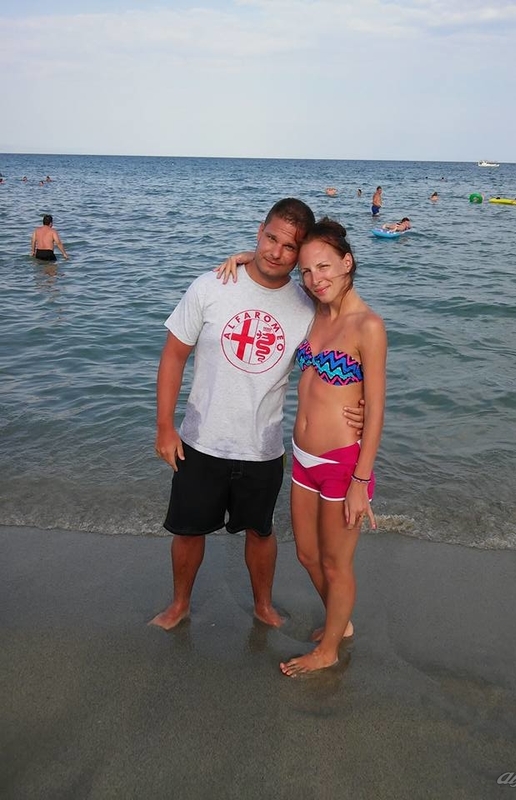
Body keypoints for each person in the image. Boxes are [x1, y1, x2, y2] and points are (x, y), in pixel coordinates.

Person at [150, 199, 364, 632]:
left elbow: (347, 334)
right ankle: (179, 605)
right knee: (188, 531)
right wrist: (164, 426)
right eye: (270, 239)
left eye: (290, 247)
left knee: (261, 532)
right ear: (259, 231)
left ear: (300, 254)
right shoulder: (211, 286)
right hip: (200, 440)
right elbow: (173, 356)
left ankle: (263, 606)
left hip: (263, 446)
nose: (276, 252)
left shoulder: (307, 304)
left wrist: (359, 407)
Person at [278, 218, 387, 676]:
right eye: (306, 270)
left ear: (347, 263)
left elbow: (376, 410)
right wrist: (245, 258)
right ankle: (339, 624)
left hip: (343, 465)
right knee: (306, 554)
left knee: (335, 563)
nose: (314, 278)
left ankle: (329, 651)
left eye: (323, 267)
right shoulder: (315, 310)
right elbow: (271, 275)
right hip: (303, 458)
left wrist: (361, 481)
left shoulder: (368, 326)